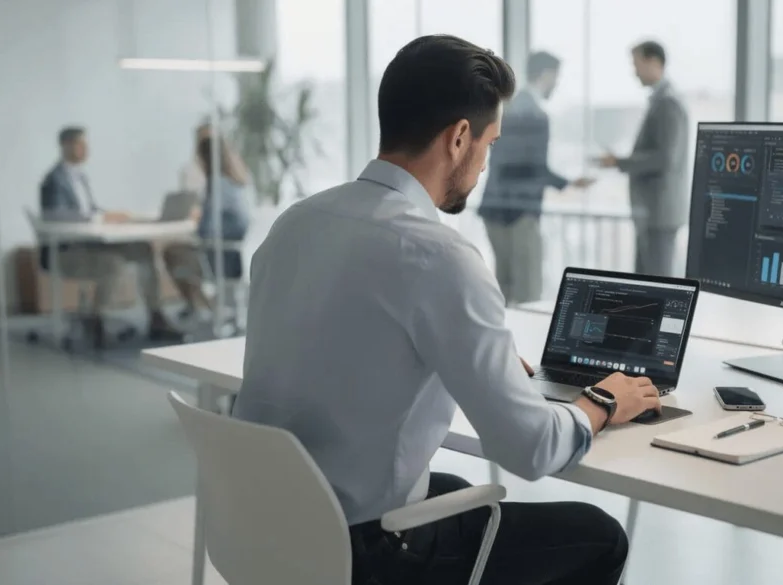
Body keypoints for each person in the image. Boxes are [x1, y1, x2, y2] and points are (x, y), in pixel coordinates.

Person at [234, 35, 662, 585]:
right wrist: (602, 400)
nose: (485, 164)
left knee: (458, 492)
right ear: (460, 137)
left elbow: (350, 348)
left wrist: (474, 361)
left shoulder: (296, 222)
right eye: (490, 143)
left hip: (269, 525)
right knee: (599, 535)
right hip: (361, 555)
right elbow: (531, 450)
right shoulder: (439, 255)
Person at [39, 126, 180, 344]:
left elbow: (89, 210)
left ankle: (156, 317)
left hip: (89, 244)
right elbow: (57, 216)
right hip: (67, 251)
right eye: (81, 144)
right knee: (113, 263)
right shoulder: (53, 180)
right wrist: (98, 218)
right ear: (66, 146)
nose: (86, 149)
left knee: (143, 249)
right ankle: (96, 319)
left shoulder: (80, 177)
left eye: (86, 144)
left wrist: (110, 216)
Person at [479, 51, 595, 305]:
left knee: (504, 288)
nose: (556, 84)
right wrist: (566, 183)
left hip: (495, 208)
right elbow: (533, 168)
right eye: (556, 77)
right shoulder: (536, 115)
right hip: (520, 213)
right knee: (528, 293)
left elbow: (509, 164)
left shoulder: (505, 109)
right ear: (546, 74)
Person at [596, 40, 689, 277]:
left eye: (636, 64)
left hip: (659, 214)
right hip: (653, 213)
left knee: (656, 283)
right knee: (647, 281)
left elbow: (664, 159)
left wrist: (619, 162)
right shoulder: (661, 100)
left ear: (654, 62)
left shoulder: (668, 103)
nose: (634, 71)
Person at [163, 136, 252, 318]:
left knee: (172, 251)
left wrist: (199, 219)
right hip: (238, 256)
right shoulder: (239, 182)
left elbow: (206, 231)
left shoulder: (217, 184)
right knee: (181, 251)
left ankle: (202, 307)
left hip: (221, 258)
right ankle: (207, 307)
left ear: (204, 159)